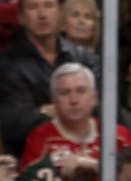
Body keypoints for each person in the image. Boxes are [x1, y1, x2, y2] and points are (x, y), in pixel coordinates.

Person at [0, 0, 84, 153]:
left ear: (60, 11)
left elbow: (102, 111)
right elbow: (17, 123)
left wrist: (48, 110)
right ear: (21, 17)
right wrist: (73, 111)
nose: (42, 15)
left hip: (83, 150)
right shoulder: (6, 64)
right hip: (32, 158)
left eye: (49, 5)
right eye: (33, 7)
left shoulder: (83, 58)